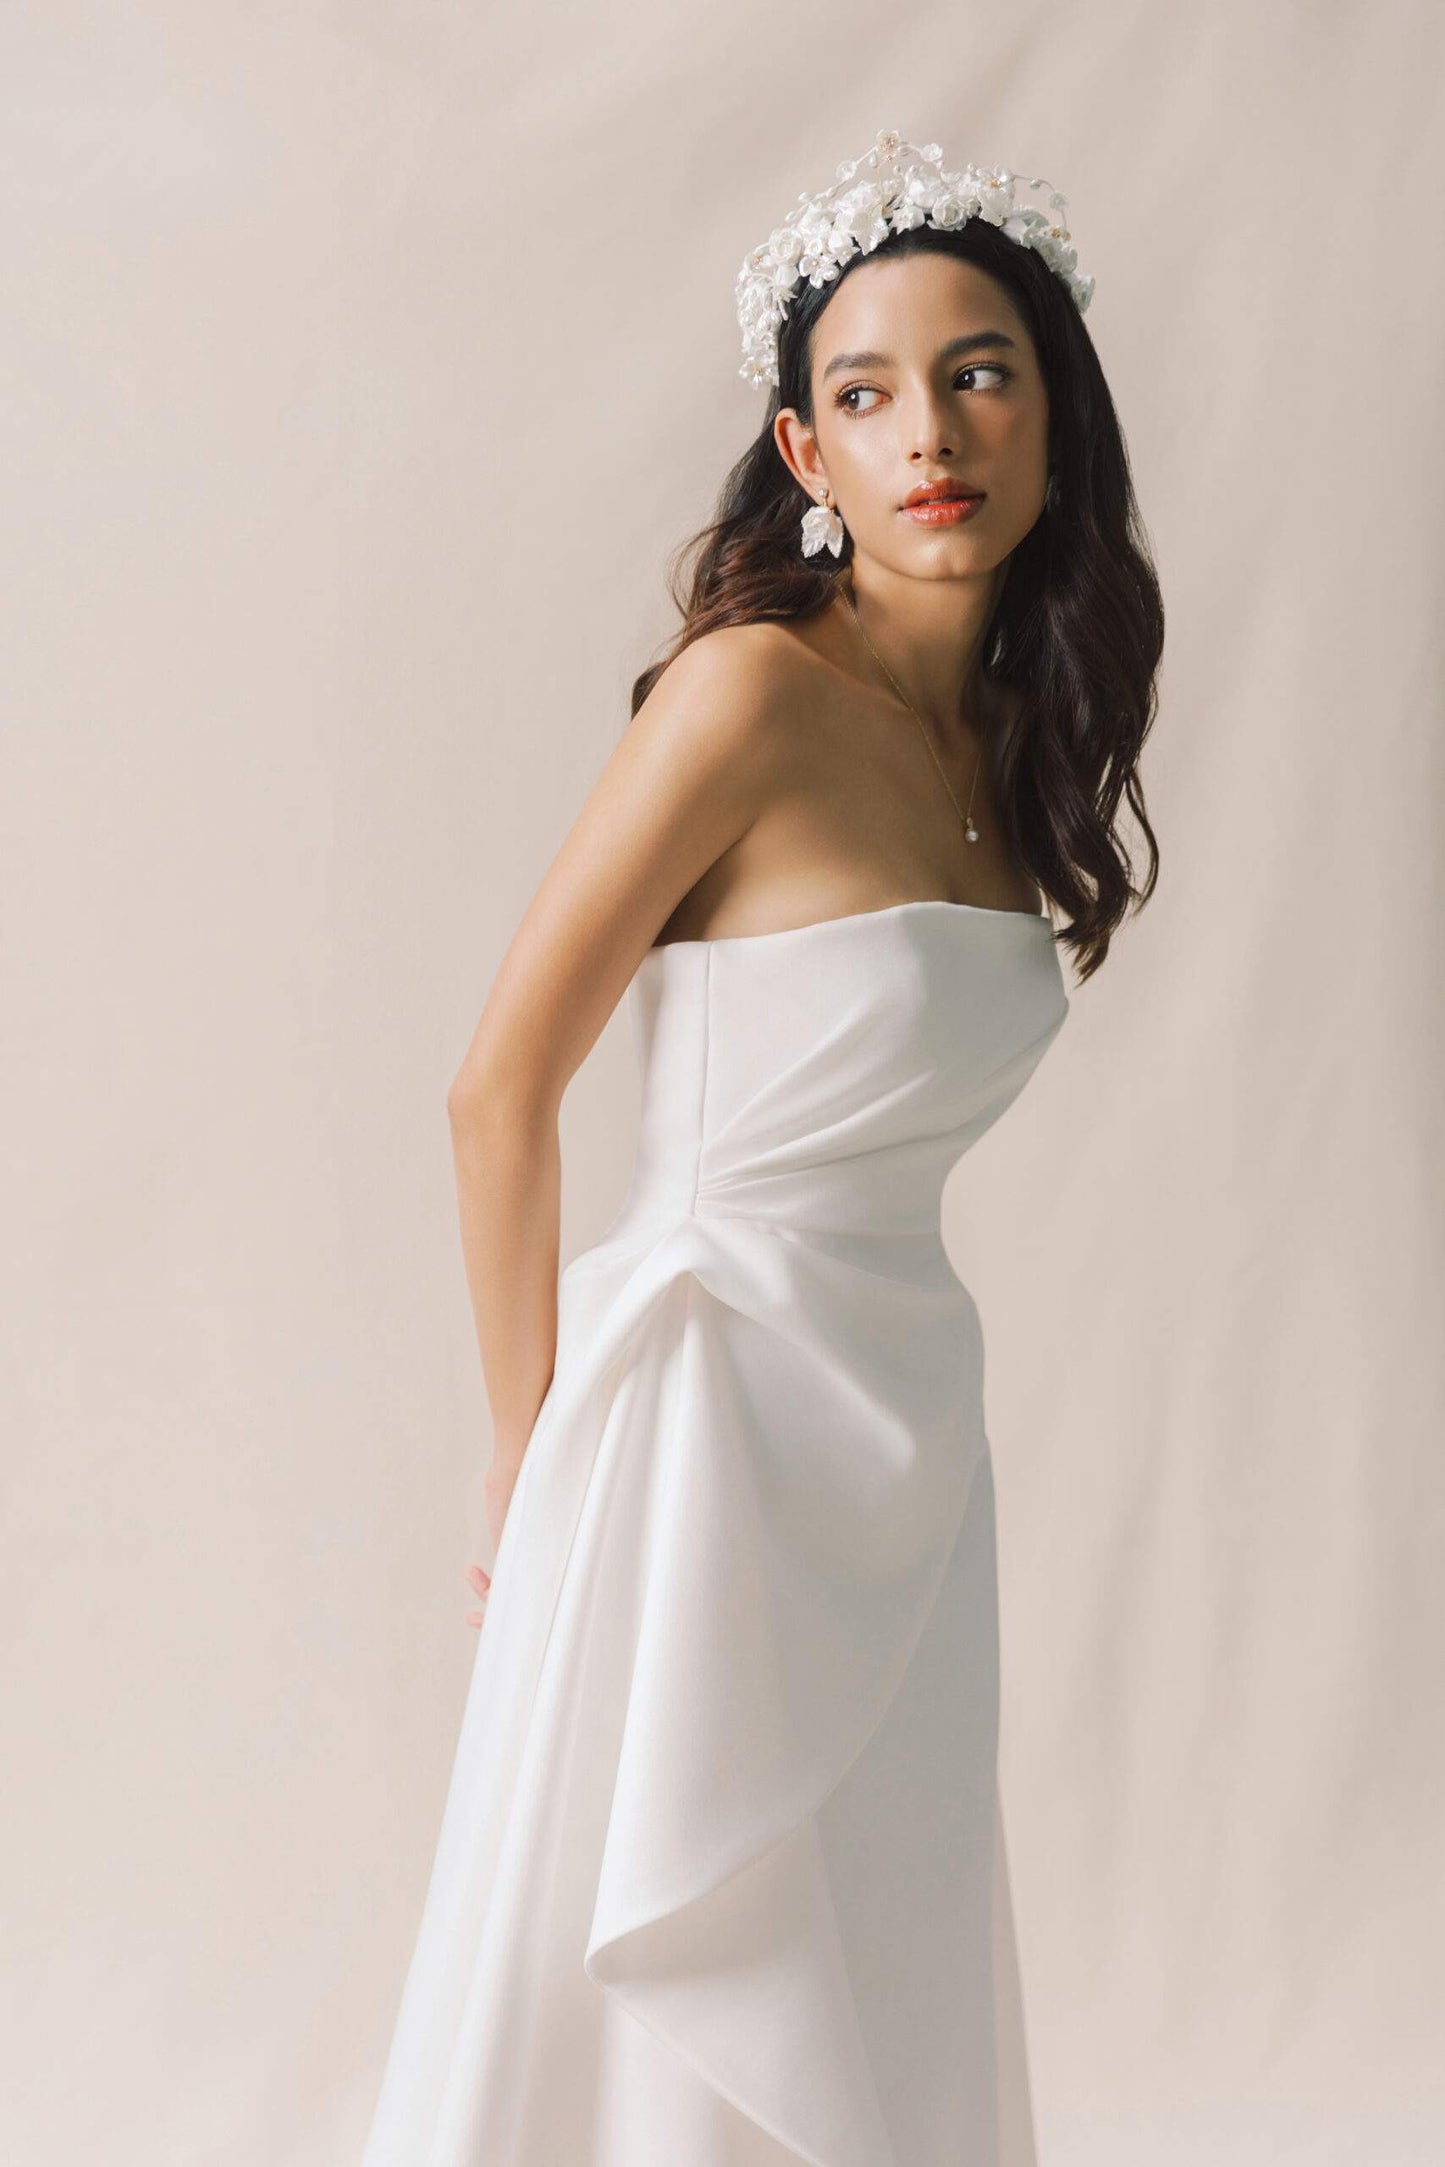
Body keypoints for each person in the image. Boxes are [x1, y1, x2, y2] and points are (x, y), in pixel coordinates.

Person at [362, 128, 1163, 2167]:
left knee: (875, 1964)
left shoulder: (1010, 748)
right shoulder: (745, 697)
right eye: (869, 395)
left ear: (1054, 411)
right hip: (703, 1413)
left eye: (979, 373)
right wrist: (527, 1444)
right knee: (679, 1979)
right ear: (804, 458)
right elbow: (496, 1086)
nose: (932, 435)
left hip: (904, 1436)